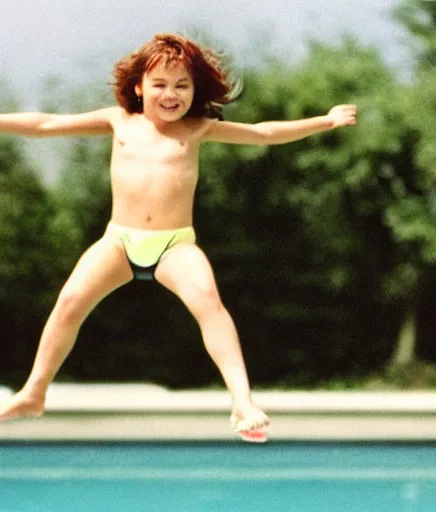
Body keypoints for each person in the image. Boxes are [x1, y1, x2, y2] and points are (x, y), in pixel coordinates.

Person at [0, 33, 357, 442]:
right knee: (69, 303)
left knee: (209, 303)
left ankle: (242, 400)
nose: (171, 94)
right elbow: (44, 124)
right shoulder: (119, 120)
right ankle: (33, 392)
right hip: (119, 241)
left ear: (194, 91)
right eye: (160, 84)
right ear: (139, 87)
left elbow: (264, 133)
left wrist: (324, 121)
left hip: (174, 245)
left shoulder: (199, 128)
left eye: (182, 86)